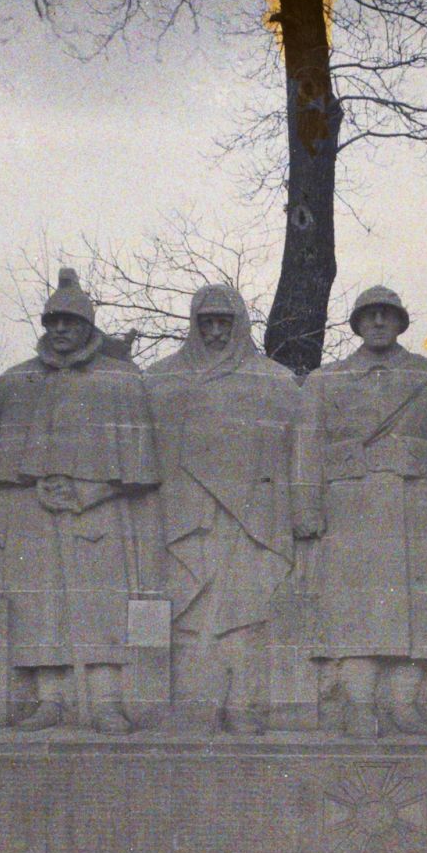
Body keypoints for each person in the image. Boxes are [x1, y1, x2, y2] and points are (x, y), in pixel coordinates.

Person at [0, 267, 162, 732]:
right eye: (53, 321)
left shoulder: (120, 381)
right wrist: (7, 508)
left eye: (70, 321)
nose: (61, 329)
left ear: (88, 326)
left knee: (100, 605)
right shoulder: (17, 382)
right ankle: (51, 700)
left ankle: (105, 702)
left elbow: (140, 465)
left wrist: (91, 491)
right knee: (41, 607)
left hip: (101, 510)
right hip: (32, 511)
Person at [295, 286, 427, 736]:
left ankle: (404, 702)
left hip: (414, 503)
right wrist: (306, 507)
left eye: (386, 315)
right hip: (349, 506)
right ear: (356, 324)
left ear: (400, 323)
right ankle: (359, 704)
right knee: (352, 609)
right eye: (369, 315)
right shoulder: (325, 381)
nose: (378, 323)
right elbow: (307, 446)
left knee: (416, 609)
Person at [145, 284, 300, 734]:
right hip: (187, 517)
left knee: (246, 612)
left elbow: (296, 449)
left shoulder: (274, 381)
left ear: (240, 325)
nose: (215, 332)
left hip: (250, 520)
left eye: (224, 323)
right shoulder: (160, 379)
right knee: (189, 612)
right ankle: (196, 703)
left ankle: (245, 704)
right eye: (206, 322)